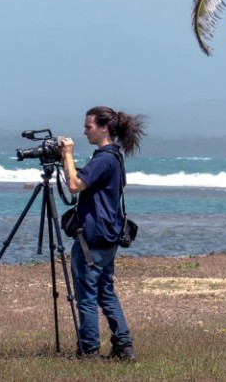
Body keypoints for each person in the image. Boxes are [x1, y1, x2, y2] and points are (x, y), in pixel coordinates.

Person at [58, 105, 146, 361]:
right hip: (109, 234)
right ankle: (123, 347)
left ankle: (89, 351)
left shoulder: (104, 158)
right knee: (105, 291)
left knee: (86, 295)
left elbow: (74, 185)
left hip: (93, 238)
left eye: (89, 127)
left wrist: (67, 155)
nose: (85, 132)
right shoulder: (115, 157)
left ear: (104, 128)